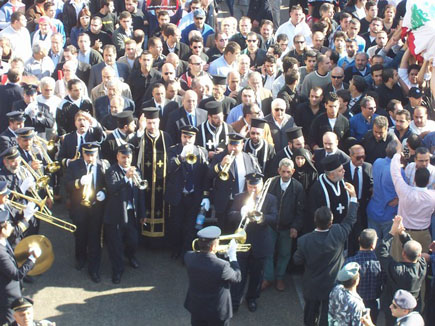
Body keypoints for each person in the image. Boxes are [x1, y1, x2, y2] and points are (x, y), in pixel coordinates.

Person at [294, 182, 358, 326]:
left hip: (312, 284)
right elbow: (351, 219)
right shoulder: (338, 233)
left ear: (315, 221)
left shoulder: (304, 241)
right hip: (332, 284)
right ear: (331, 222)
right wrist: (353, 196)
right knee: (327, 315)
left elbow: (297, 260)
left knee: (310, 313)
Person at [227, 173, 278, 312]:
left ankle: (252, 298)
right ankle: (235, 301)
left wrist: (262, 218)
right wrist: (241, 213)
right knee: (239, 274)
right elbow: (230, 215)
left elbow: (274, 218)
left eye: (256, 186)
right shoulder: (239, 197)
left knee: (257, 275)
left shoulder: (270, 199)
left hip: (260, 243)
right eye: (250, 186)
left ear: (261, 185)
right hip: (242, 243)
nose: (253, 189)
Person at [104, 143, 146, 284]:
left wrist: (142, 213)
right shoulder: (111, 171)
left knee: (133, 240)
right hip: (116, 215)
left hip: (131, 213)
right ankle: (117, 270)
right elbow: (112, 189)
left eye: (128, 157)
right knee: (116, 245)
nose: (126, 160)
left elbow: (140, 194)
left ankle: (131, 256)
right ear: (117, 157)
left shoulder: (137, 171)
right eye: (123, 157)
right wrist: (126, 178)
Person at [166, 126, 209, 259]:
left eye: (190, 137)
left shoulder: (201, 152)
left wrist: (206, 195)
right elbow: (169, 168)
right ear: (181, 137)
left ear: (194, 138)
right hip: (178, 195)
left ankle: (186, 253)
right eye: (185, 137)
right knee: (176, 225)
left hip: (194, 195)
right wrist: (181, 157)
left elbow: (205, 175)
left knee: (190, 227)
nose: (187, 140)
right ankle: (175, 250)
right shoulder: (173, 150)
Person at [184, 226, 241, 326]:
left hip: (196, 307)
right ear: (213, 247)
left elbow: (206, 260)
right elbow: (237, 277)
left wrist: (215, 254)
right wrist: (233, 257)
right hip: (217, 312)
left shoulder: (188, 257)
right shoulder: (223, 266)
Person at [375, 216, 427, 326]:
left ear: (403, 253)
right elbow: (412, 246)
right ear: (419, 255)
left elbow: (381, 250)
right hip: (412, 307)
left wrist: (392, 232)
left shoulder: (397, 270)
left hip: (395, 308)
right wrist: (402, 233)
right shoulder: (422, 265)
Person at [263, 158, 305, 291]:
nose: (286, 175)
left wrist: (295, 227)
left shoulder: (297, 187)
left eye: (288, 172)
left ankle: (280, 277)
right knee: (268, 252)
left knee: (284, 253)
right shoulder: (270, 183)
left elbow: (301, 210)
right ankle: (268, 278)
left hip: (287, 227)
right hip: (270, 224)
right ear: (278, 171)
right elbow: (264, 203)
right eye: (283, 172)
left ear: (293, 171)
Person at [136, 108, 173, 240]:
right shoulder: (140, 138)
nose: (151, 126)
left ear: (159, 122)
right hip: (144, 184)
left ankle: (160, 241)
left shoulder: (166, 137)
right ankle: (144, 239)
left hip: (161, 183)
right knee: (143, 206)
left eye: (154, 123)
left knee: (161, 208)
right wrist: (140, 130)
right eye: (149, 123)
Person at [0, 209, 40, 325]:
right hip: (7, 298)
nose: (11, 225)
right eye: (8, 224)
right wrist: (33, 258)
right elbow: (16, 274)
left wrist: (27, 253)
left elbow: (12, 258)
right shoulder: (0, 253)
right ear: (2, 230)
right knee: (12, 321)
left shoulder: (3, 240)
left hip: (11, 292)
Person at [345, 229, 383, 323]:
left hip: (354, 301)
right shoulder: (379, 263)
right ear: (373, 245)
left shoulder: (350, 262)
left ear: (359, 239)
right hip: (373, 303)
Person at [366, 140, 399, 239]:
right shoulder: (397, 171)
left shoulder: (377, 162)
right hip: (388, 215)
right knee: (386, 249)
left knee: (372, 244)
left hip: (373, 210)